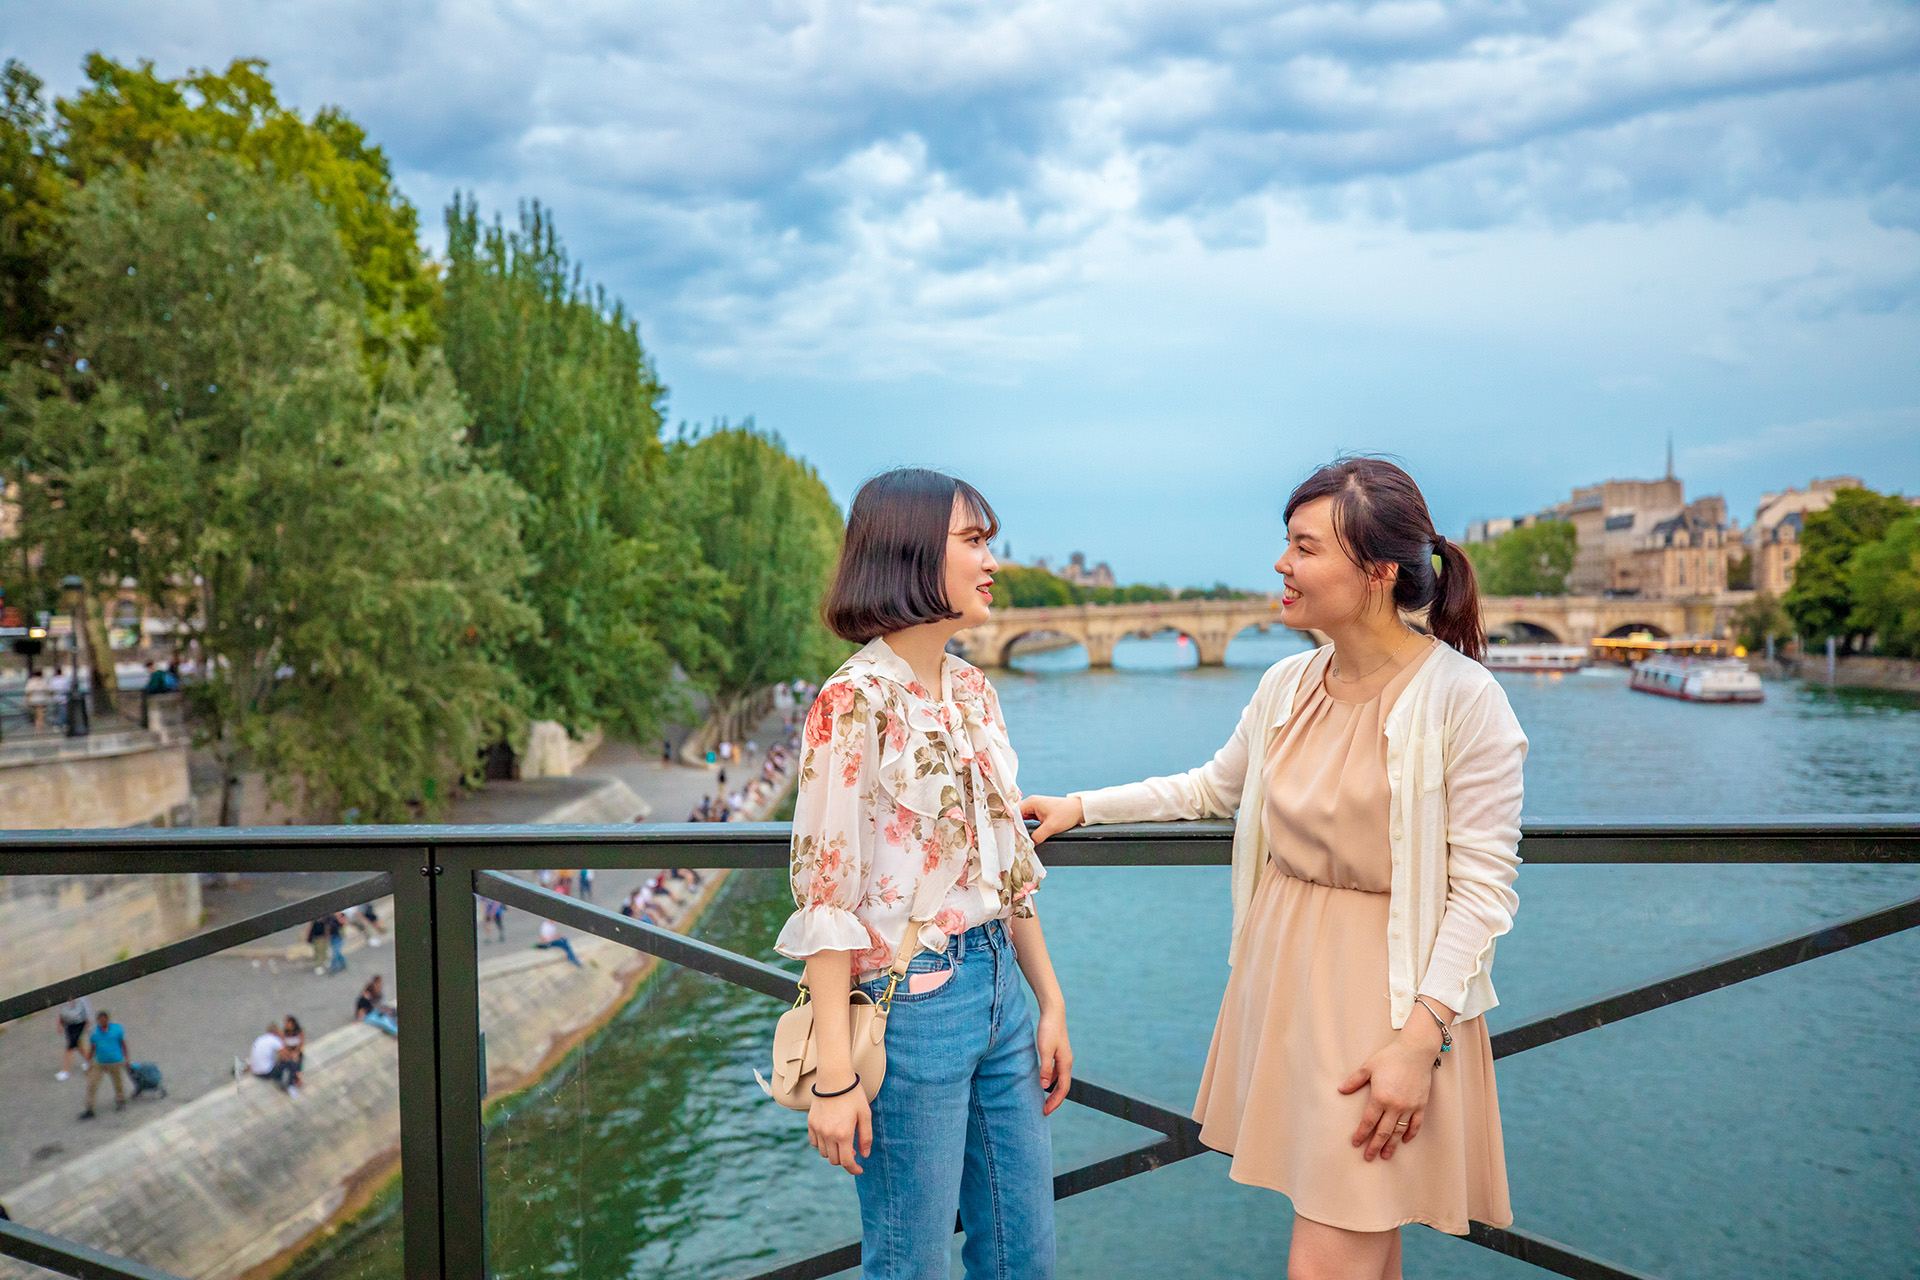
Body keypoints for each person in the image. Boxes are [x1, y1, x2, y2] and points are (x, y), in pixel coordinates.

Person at [1023, 457, 1525, 1280]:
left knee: (1331, 1247)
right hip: (1288, 990)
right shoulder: (1287, 682)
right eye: (1286, 543)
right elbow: (1211, 788)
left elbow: (1483, 893)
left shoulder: (1464, 699)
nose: (1282, 565)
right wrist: (1082, 805)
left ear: (1377, 572)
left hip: (1387, 1008)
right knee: (1362, 1238)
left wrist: (1418, 1043)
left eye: (1304, 547)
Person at [778, 468, 1068, 1280]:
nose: (992, 562)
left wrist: (1049, 1001)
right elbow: (826, 899)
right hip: (909, 1007)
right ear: (910, 553)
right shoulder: (853, 702)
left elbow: (1006, 872)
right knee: (911, 1264)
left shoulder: (974, 690)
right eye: (973, 541)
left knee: (1023, 1256)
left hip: (1001, 991)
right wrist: (836, 1081)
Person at [79, 1010, 130, 1119]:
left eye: (104, 1019)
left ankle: (120, 1101)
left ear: (107, 1019)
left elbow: (123, 1044)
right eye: (100, 1020)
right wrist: (88, 1062)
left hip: (115, 1061)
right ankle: (90, 1108)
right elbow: (93, 1047)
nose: (102, 1022)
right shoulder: (95, 1032)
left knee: (118, 1082)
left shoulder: (117, 1029)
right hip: (100, 1062)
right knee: (92, 1084)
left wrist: (127, 1058)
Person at [55, 995, 93, 1080]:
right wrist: (60, 1023)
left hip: (79, 1023)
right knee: (79, 1044)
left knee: (70, 1046)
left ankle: (65, 1070)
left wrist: (88, 1023)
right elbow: (62, 1010)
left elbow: (86, 1009)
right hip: (69, 1023)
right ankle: (90, 1061)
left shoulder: (81, 998)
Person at [248, 1021, 292, 1090]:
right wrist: (283, 1040)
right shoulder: (275, 1040)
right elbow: (285, 1056)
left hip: (255, 1071)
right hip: (266, 1073)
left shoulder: (261, 1038)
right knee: (288, 1063)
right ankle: (283, 1083)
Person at [278, 1016, 306, 1095]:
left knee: (296, 1064)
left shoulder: (299, 1032)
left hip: (296, 1052)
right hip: (287, 1054)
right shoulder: (283, 1033)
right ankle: (293, 1082)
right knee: (292, 1064)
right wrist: (290, 1055)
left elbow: (301, 1044)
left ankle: (294, 1082)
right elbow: (282, 1046)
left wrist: (295, 1053)